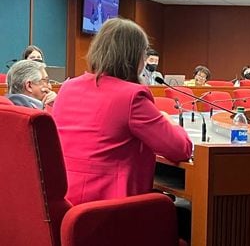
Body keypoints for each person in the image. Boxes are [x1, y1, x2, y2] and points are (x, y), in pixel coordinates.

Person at [51, 18, 192, 206]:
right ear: (136, 57)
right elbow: (180, 149)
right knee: (184, 209)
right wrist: (171, 122)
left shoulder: (67, 87)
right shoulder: (132, 96)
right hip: (110, 209)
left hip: (65, 202)